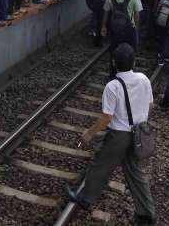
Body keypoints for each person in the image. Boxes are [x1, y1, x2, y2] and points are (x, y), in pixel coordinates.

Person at [66, 43, 156, 226]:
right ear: (134, 61)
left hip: (119, 136)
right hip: (139, 133)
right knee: (136, 174)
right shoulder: (144, 79)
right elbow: (151, 105)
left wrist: (89, 134)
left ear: (114, 63)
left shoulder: (112, 86)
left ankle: (85, 198)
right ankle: (146, 215)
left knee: (101, 164)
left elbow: (107, 118)